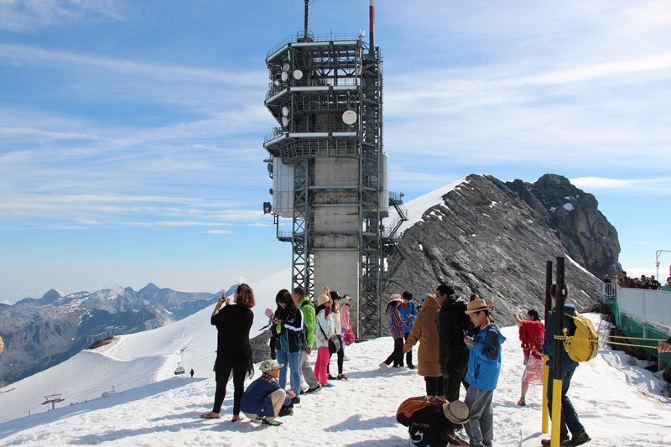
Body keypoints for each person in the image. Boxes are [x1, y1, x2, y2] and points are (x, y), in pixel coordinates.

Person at [541, 284, 590, 447]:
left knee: (552, 398)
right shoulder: (572, 312)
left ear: (552, 296)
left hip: (559, 362)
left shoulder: (556, 315)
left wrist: (542, 348)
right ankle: (578, 432)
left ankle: (560, 437)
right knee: (561, 396)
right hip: (571, 360)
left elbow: (550, 345)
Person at [201, 284, 255, 421]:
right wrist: (229, 308)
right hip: (243, 353)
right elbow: (237, 323)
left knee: (221, 383)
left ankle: (216, 411)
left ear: (238, 295)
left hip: (225, 353)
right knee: (239, 385)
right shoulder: (250, 314)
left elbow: (214, 320)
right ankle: (236, 415)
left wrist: (219, 306)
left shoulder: (227, 311)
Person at [463, 298, 506, 447]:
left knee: (468, 414)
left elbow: (491, 355)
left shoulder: (491, 332)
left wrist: (473, 344)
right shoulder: (486, 330)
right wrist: (472, 344)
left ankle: (476, 443)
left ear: (481, 314)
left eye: (472, 316)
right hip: (485, 379)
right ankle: (487, 443)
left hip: (480, 379)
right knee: (485, 414)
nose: (470, 319)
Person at [437, 283, 473, 402]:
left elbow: (444, 339)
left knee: (451, 393)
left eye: (438, 295)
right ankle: (477, 412)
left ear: (445, 296)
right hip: (466, 351)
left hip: (452, 356)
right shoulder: (463, 305)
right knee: (470, 386)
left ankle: (453, 419)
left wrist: (442, 362)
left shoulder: (445, 311)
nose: (436, 298)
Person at [403, 293, 443, 396]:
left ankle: (432, 406)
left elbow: (414, 335)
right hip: (443, 354)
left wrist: (406, 347)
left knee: (430, 381)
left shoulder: (422, 316)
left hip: (427, 355)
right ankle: (442, 406)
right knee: (441, 382)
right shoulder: (442, 313)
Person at [240, 359, 295, 426]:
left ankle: (257, 417)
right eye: (277, 369)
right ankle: (268, 419)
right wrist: (292, 400)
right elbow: (285, 398)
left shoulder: (262, 379)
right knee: (281, 393)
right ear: (270, 371)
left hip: (247, 411)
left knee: (281, 392)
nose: (279, 370)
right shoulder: (271, 382)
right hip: (253, 413)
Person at [273, 289, 304, 404]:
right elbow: (275, 330)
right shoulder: (278, 311)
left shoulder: (297, 312)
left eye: (283, 302)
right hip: (281, 346)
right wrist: (275, 325)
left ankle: (295, 395)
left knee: (295, 371)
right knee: (282, 371)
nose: (281, 305)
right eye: (279, 303)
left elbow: (298, 327)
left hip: (293, 347)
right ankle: (281, 394)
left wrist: (283, 323)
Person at [403, 397, 470, 447]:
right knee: (441, 443)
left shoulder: (443, 409)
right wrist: (458, 444)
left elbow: (447, 430)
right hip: (418, 437)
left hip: (428, 429)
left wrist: (459, 440)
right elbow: (443, 436)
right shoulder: (434, 418)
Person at [513, 309, 545, 406]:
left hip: (536, 356)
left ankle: (522, 398)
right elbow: (522, 325)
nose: (526, 318)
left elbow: (520, 323)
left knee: (526, 378)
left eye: (527, 316)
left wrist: (516, 316)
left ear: (531, 316)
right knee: (547, 379)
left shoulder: (534, 324)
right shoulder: (538, 325)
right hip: (542, 355)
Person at [293, 286, 321, 394]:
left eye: (293, 295)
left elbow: (309, 327)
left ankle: (297, 388)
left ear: (298, 295)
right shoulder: (306, 306)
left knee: (297, 366)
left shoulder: (305, 308)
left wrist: (308, 344)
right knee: (304, 364)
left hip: (304, 342)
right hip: (306, 341)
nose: (292, 297)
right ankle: (314, 385)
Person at [314, 287, 336, 387]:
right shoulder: (323, 313)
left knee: (319, 361)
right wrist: (331, 336)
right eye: (327, 302)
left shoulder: (321, 312)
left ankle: (316, 379)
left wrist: (327, 294)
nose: (329, 304)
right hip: (324, 341)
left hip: (320, 340)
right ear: (324, 304)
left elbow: (330, 305)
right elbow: (326, 327)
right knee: (324, 362)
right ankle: (323, 381)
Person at [380, 294, 407, 369]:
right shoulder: (394, 310)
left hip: (395, 331)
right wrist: (406, 322)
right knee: (399, 350)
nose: (400, 303)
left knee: (398, 349)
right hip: (398, 331)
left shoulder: (390, 309)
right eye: (398, 301)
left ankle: (397, 365)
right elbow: (398, 323)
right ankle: (386, 363)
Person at [327, 292, 347, 380]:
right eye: (337, 299)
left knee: (341, 353)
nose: (338, 300)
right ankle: (327, 373)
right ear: (332, 300)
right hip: (331, 335)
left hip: (338, 334)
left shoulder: (337, 308)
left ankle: (340, 373)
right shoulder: (328, 310)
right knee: (329, 354)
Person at [400, 291, 418, 369]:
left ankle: (409, 362)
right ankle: (400, 363)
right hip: (399, 328)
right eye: (405, 299)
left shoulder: (412, 304)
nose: (406, 301)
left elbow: (416, 315)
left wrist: (412, 316)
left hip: (409, 328)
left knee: (408, 345)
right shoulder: (398, 304)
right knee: (399, 346)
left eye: (408, 300)